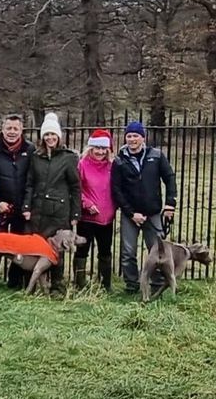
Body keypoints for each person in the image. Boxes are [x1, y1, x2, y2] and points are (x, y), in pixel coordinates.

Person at [112, 121, 177, 294]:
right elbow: (116, 190)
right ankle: (132, 285)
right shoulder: (119, 160)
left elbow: (169, 178)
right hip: (130, 214)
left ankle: (157, 284)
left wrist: (170, 203)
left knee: (157, 251)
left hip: (153, 212)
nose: (132, 139)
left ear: (143, 137)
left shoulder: (156, 156)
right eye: (129, 136)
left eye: (135, 136)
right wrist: (131, 213)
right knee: (128, 252)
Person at [21, 113, 80, 288]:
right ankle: (32, 283)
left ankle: (57, 286)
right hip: (38, 211)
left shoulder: (68, 158)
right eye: (46, 134)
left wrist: (75, 213)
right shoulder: (36, 157)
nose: (50, 138)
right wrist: (26, 206)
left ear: (59, 136)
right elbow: (30, 183)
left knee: (56, 250)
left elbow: (75, 187)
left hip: (59, 212)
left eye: (53, 134)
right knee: (35, 246)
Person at [0, 114, 32, 288]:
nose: (12, 132)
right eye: (8, 128)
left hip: (21, 208)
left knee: (19, 246)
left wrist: (26, 205)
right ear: (2, 129)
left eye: (15, 128)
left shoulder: (30, 150)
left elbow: (32, 180)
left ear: (21, 130)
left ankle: (15, 281)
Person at [75, 129, 116, 290]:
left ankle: (105, 284)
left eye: (103, 148)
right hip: (87, 218)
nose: (99, 152)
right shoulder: (82, 164)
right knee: (82, 250)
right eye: (96, 148)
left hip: (107, 218)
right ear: (90, 148)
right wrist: (86, 204)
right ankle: (80, 284)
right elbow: (76, 189)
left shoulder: (112, 166)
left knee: (105, 251)